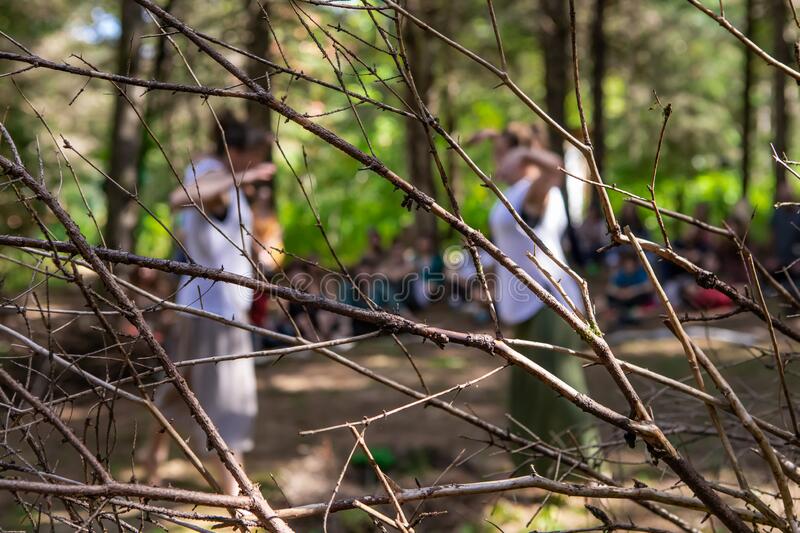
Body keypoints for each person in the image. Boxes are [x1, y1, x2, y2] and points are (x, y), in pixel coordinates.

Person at [144, 113, 274, 495]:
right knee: (227, 405)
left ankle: (151, 466)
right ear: (234, 152)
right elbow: (179, 199)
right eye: (252, 155)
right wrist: (243, 176)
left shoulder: (213, 175)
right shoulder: (215, 178)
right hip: (216, 313)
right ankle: (238, 499)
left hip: (207, 307)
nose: (257, 164)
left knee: (177, 390)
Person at [487, 136, 597, 471]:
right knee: (527, 389)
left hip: (549, 301)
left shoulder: (534, 190)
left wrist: (523, 151)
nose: (496, 163)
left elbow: (554, 169)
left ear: (521, 157)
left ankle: (588, 469)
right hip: (524, 303)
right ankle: (534, 468)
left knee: (563, 387)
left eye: (501, 155)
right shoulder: (511, 193)